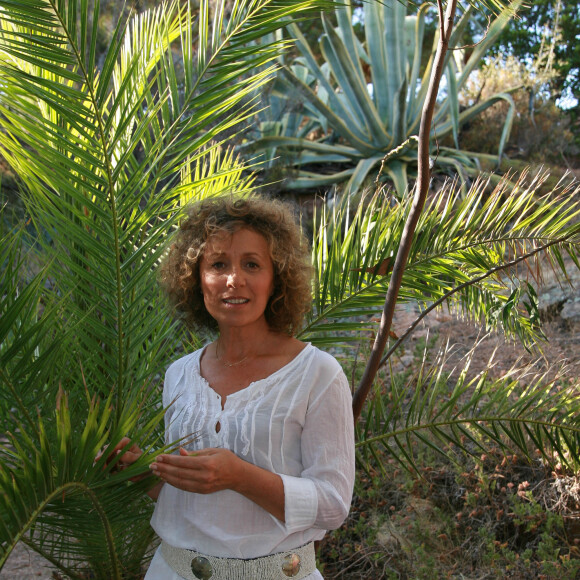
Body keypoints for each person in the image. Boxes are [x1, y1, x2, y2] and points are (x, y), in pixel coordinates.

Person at [108, 195, 355, 580]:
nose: (233, 279)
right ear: (195, 277)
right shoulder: (180, 374)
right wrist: (145, 474)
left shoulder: (318, 374)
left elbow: (333, 505)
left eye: (252, 264)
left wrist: (239, 475)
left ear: (277, 277)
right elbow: (196, 505)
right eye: (218, 264)